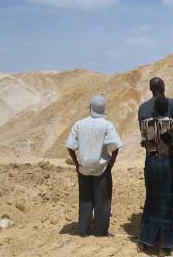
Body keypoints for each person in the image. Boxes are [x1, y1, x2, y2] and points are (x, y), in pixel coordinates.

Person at [138, 77, 173, 238]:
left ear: (150, 89)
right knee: (172, 190)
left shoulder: (143, 108)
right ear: (164, 87)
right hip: (169, 156)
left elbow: (144, 135)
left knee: (152, 192)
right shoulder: (172, 104)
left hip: (151, 157)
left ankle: (149, 230)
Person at [65, 95, 122, 237]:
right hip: (101, 168)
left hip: (83, 168)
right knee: (102, 201)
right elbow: (115, 146)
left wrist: (77, 163)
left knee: (85, 200)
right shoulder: (107, 125)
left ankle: (83, 230)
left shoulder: (79, 124)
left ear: (90, 107)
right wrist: (111, 163)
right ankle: (101, 231)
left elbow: (70, 147)